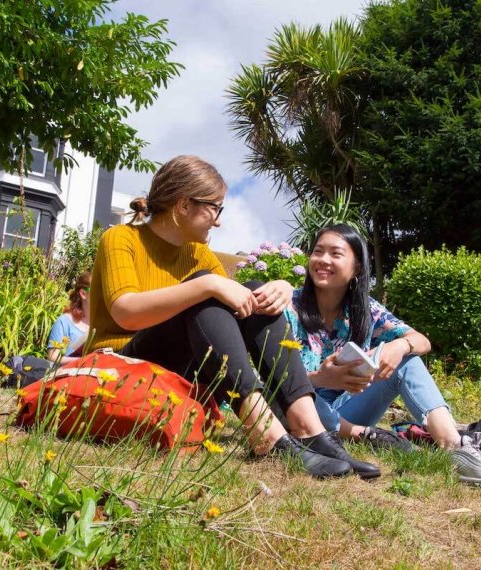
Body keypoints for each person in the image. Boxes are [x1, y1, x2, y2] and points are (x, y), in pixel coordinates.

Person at [88, 155, 379, 479]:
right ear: (184, 205)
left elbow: (238, 304)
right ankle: (266, 434)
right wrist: (208, 284)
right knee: (206, 291)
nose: (218, 221)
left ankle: (308, 428)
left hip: (182, 367)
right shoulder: (121, 238)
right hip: (120, 363)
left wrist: (279, 287)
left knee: (253, 292)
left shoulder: (197, 253)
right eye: (215, 207)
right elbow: (125, 313)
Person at [283, 224, 481, 485]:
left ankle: (455, 448)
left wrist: (398, 346)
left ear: (356, 267)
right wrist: (322, 379)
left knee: (408, 359)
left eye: (335, 253)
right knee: (292, 393)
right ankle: (358, 434)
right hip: (303, 410)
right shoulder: (290, 306)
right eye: (317, 251)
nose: (323, 260)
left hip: (348, 408)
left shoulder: (366, 310)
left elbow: (421, 340)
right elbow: (276, 378)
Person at [47, 272, 91, 365]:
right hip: (66, 375)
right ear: (83, 293)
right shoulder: (64, 321)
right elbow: (52, 357)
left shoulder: (101, 323)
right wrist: (83, 361)